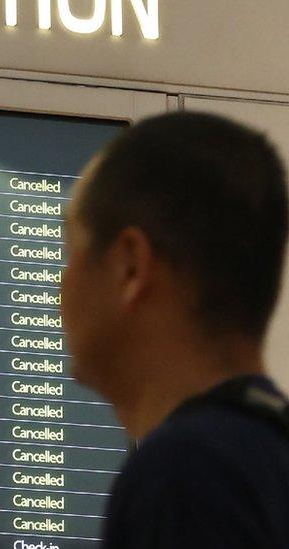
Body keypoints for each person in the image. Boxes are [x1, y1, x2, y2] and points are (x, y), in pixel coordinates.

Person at [60, 112, 289, 548]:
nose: (60, 287)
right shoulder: (267, 457)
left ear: (131, 266)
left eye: (71, 251)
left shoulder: (185, 472)